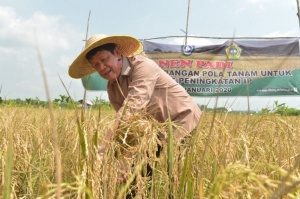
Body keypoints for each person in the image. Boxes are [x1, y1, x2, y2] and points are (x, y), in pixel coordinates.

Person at [68, 34, 202, 197]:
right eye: (96, 65)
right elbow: (129, 129)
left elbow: (132, 108)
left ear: (117, 53)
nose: (102, 67)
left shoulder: (143, 66)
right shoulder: (112, 89)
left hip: (181, 120)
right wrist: (125, 161)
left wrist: (102, 150)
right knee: (135, 178)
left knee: (173, 176)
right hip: (154, 129)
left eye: (104, 59)